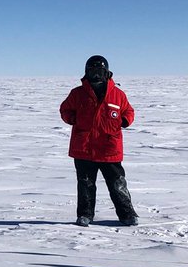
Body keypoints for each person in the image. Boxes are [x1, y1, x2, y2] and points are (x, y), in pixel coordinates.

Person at [59, 55, 139, 227]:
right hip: (84, 148)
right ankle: (85, 215)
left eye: (99, 71)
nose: (96, 75)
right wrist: (73, 119)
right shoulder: (77, 94)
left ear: (107, 73)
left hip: (109, 148)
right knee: (85, 184)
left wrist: (125, 121)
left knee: (117, 183)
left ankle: (127, 215)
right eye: (92, 71)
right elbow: (65, 109)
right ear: (87, 72)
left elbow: (129, 111)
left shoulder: (117, 94)